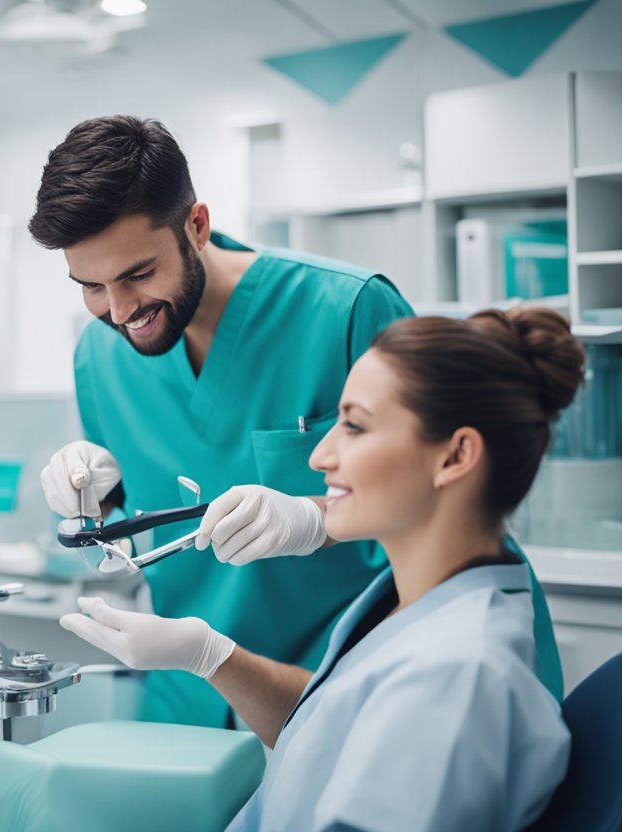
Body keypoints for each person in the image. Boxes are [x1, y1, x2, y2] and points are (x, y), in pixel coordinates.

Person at [33, 115, 563, 727]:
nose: (121, 311)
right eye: (91, 286)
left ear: (196, 226)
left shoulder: (347, 309)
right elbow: (121, 530)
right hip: (194, 695)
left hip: (360, 680)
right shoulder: (98, 358)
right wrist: (92, 506)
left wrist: (315, 520)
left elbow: (461, 490)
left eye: (138, 274)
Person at [60, 307, 580, 830]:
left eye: (353, 426)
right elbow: (332, 730)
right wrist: (209, 654)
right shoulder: (420, 603)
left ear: (455, 456)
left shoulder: (458, 681)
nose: (319, 456)